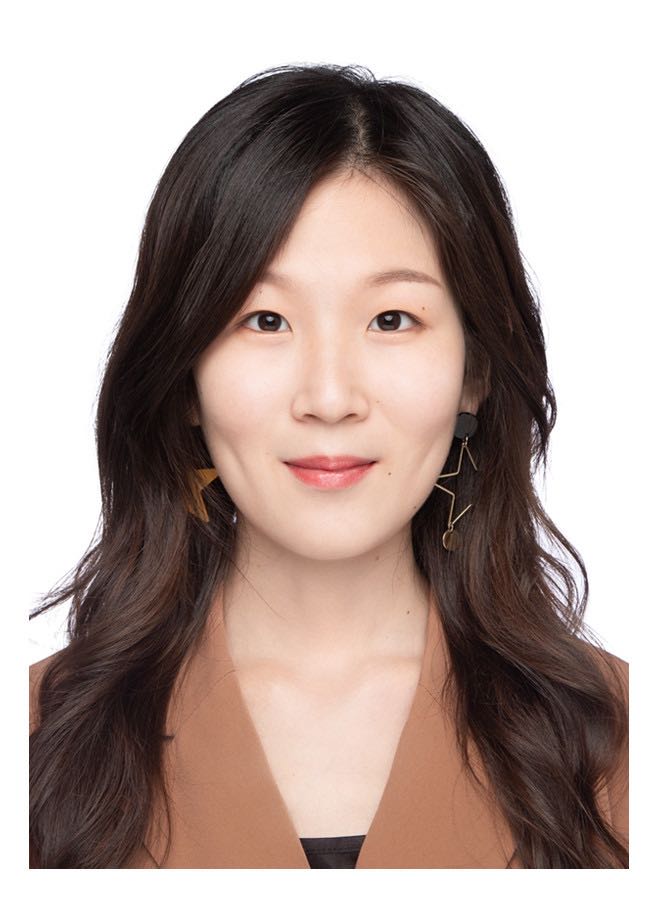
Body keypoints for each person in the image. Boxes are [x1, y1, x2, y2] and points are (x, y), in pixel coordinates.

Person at [29, 63, 628, 869]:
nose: (330, 397)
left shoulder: (623, 741)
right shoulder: (36, 742)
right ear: (184, 378)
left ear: (474, 372)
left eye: (392, 318)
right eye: (264, 319)